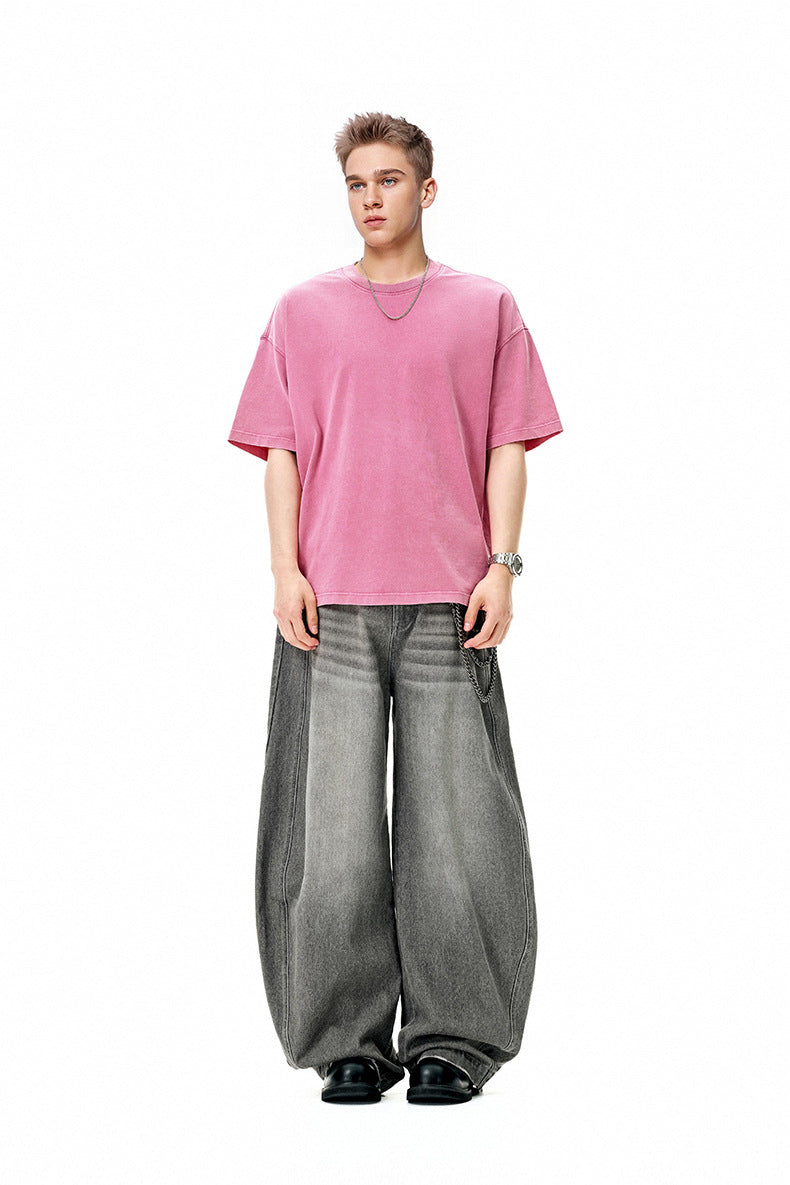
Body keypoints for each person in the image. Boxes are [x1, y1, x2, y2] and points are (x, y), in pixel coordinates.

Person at [227, 111, 563, 1105]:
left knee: (458, 834)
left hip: (449, 606)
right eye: (355, 183)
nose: (369, 198)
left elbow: (508, 442)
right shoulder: (301, 311)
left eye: (387, 180)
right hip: (329, 606)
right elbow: (280, 453)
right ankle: (348, 1041)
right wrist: (283, 570)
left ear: (425, 190)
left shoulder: (486, 307)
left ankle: (454, 1039)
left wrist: (502, 566)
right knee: (329, 839)